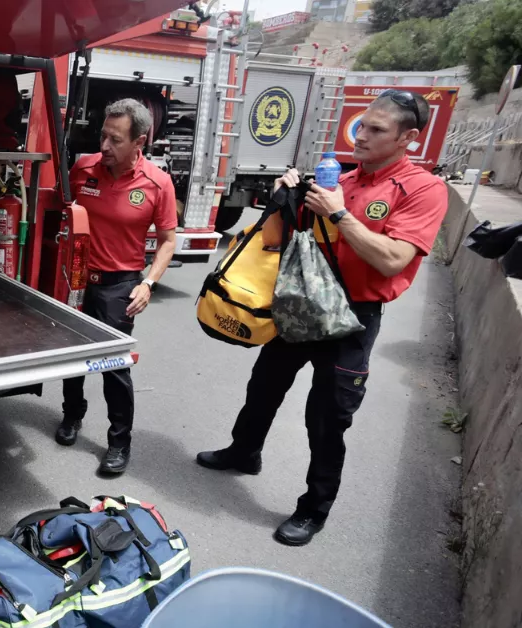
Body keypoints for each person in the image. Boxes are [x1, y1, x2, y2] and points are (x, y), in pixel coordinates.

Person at [196, 90, 447, 546]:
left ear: (408, 138)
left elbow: (393, 259)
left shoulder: (423, 189)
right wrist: (283, 200)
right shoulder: (342, 181)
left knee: (327, 418)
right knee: (264, 386)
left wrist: (341, 214)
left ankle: (313, 510)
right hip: (303, 304)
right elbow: (282, 242)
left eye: (377, 130)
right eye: (362, 125)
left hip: (353, 318)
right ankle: (243, 451)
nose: (362, 135)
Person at [56, 99, 177, 475]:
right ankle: (72, 416)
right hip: (76, 279)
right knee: (72, 358)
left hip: (119, 285)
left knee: (114, 368)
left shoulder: (158, 183)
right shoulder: (82, 168)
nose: (105, 146)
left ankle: (119, 442)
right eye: (103, 135)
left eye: (116, 139)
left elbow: (168, 240)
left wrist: (149, 283)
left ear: (139, 141)